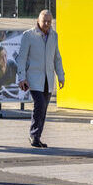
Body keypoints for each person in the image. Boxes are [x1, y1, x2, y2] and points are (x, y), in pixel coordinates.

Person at [18, 10, 65, 148]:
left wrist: (61, 76)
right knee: (39, 105)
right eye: (44, 21)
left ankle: (37, 137)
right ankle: (34, 135)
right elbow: (21, 58)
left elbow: (57, 57)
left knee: (43, 109)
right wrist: (22, 77)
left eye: (49, 22)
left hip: (48, 78)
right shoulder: (28, 35)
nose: (47, 24)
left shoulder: (54, 35)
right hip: (33, 78)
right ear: (38, 20)